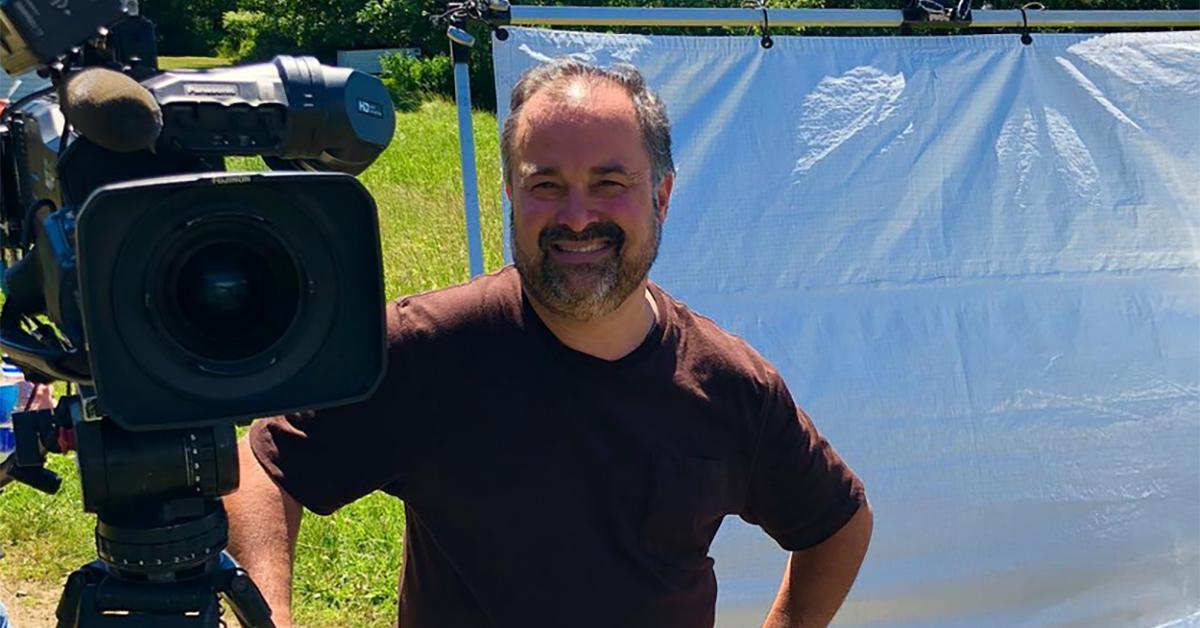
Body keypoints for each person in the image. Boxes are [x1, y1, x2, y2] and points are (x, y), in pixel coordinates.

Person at [226, 58, 873, 628]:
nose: (576, 216)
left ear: (662, 197)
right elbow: (262, 468)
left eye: (608, 184)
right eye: (546, 185)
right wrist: (271, 615)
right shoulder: (430, 350)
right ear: (510, 195)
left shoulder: (727, 384)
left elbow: (837, 525)